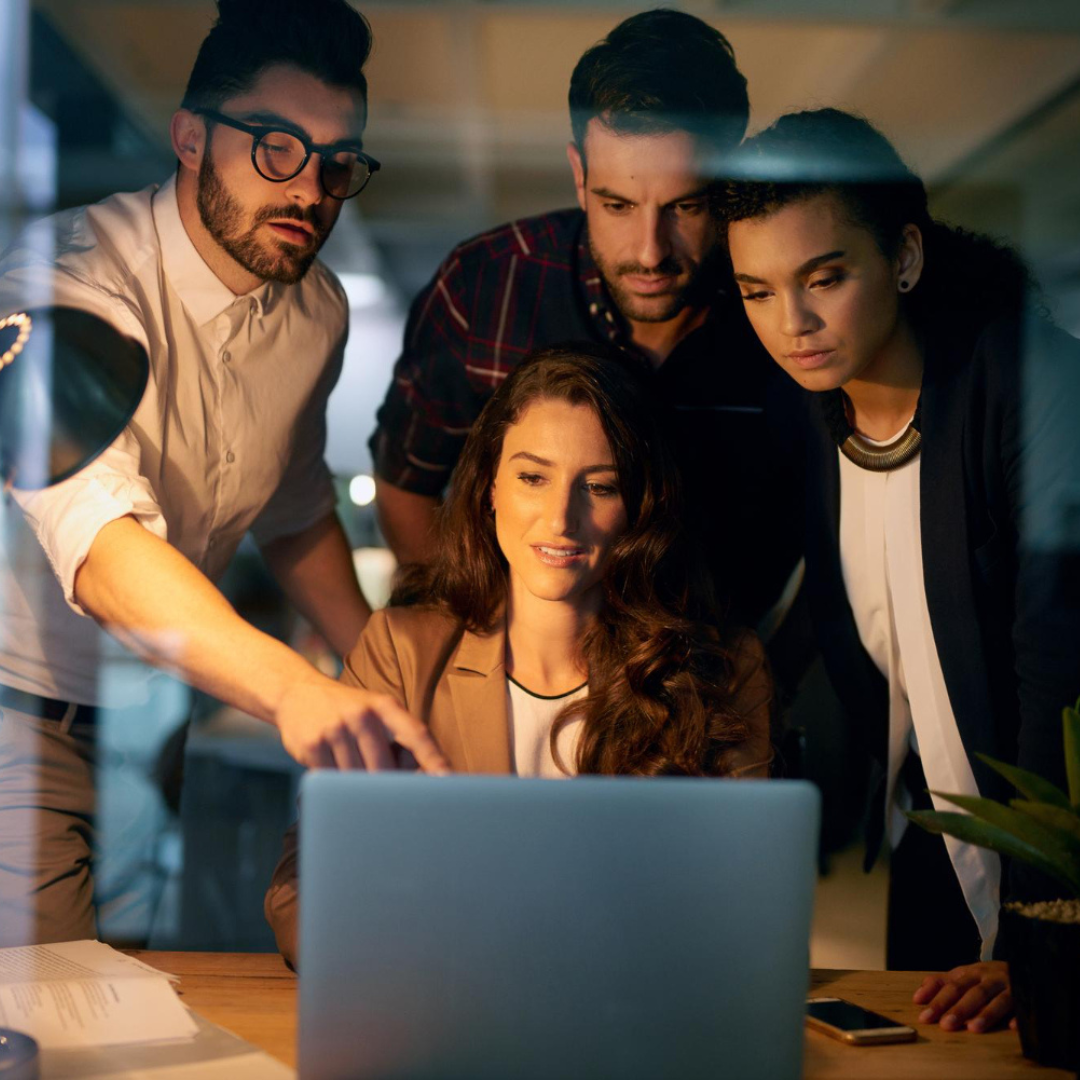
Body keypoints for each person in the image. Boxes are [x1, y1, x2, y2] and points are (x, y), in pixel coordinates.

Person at [0, 0, 448, 947]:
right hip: (14, 708)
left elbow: (291, 513)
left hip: (150, 712)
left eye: (337, 162)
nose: (311, 190)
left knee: (138, 994)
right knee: (53, 1011)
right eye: (276, 148)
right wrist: (295, 689)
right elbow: (102, 547)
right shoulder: (63, 279)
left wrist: (387, 671)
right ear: (192, 138)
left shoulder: (316, 314)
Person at [722, 108, 1080, 1033]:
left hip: (1056, 858)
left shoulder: (1028, 387)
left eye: (824, 278)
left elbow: (1058, 669)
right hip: (934, 835)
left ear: (906, 259)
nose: (790, 324)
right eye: (756, 291)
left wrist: (1050, 925)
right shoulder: (810, 413)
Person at [266, 344, 774, 968]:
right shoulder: (400, 652)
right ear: (489, 490)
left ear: (640, 507)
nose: (561, 518)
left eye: (601, 485)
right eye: (533, 477)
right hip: (443, 1010)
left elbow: (747, 917)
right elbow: (300, 896)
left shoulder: (723, 667)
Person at [369, 8, 800, 631]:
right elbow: (406, 488)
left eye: (685, 205)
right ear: (579, 175)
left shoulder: (780, 309)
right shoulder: (487, 284)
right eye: (618, 204)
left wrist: (762, 675)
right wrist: (488, 641)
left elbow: (827, 523)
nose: (651, 252)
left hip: (718, 679)